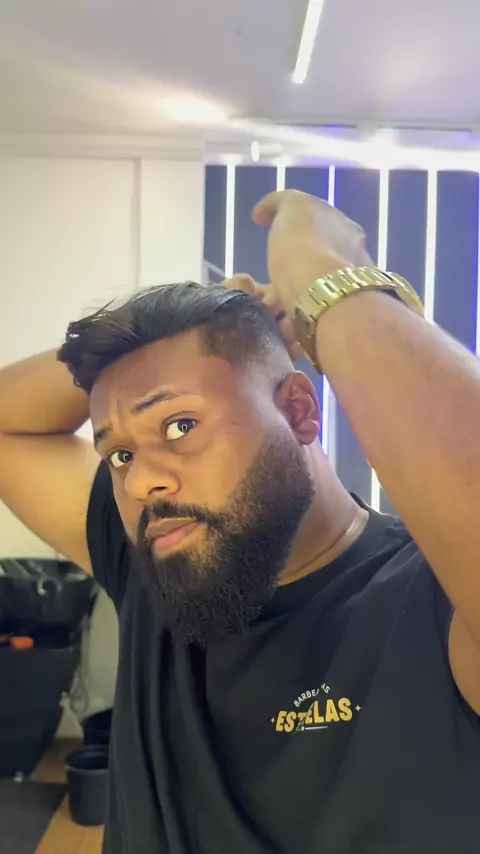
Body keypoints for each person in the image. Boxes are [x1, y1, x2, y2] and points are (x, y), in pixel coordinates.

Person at [0, 190, 479, 853]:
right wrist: (187, 319)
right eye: (120, 454)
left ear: (300, 411)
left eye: (180, 425)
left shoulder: (438, 603)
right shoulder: (158, 562)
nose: (139, 482)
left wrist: (322, 272)